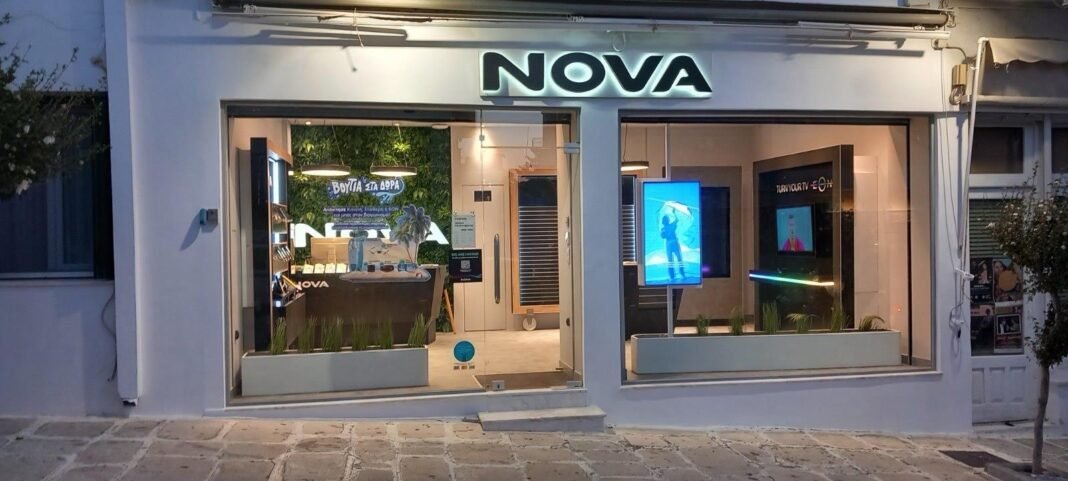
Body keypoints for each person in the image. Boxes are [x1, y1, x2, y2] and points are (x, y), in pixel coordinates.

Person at [661, 212, 685, 281]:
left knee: (670, 260)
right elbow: (677, 219)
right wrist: (674, 213)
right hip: (674, 242)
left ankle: (672, 276)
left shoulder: (663, 229)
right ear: (668, 220)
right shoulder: (672, 225)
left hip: (669, 243)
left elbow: (663, 236)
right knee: (679, 259)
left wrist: (666, 233)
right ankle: (682, 274)